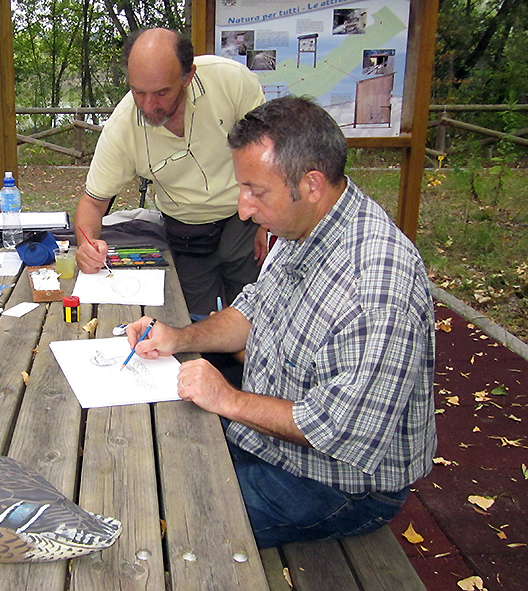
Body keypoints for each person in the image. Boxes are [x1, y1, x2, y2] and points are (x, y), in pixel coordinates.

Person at [124, 96, 437, 548]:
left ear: (310, 183)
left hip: (339, 483)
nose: (243, 209)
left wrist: (228, 399)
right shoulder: (304, 224)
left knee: (172, 515)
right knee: (152, 452)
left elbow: (340, 433)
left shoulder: (377, 290)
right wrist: (179, 338)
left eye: (256, 191)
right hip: (272, 432)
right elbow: (253, 309)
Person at [75, 28, 268, 318]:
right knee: (197, 321)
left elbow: (272, 155)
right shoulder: (122, 127)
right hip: (187, 229)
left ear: (187, 76)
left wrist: (268, 223)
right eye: (138, 92)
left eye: (162, 92)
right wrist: (85, 246)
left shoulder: (232, 81)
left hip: (245, 216)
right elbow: (92, 203)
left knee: (256, 314)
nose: (149, 106)